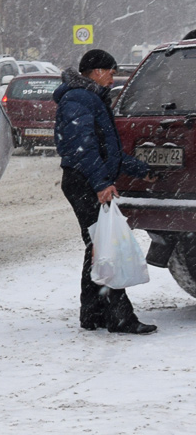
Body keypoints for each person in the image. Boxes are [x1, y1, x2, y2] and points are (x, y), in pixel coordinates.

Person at [53, 48, 156, 334]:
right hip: (84, 182)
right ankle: (120, 317)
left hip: (86, 180)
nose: (113, 77)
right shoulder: (78, 98)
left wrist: (142, 170)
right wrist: (100, 183)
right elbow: (81, 147)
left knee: (97, 247)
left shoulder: (91, 98)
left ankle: (93, 313)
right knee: (105, 248)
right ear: (96, 71)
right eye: (110, 71)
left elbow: (109, 150)